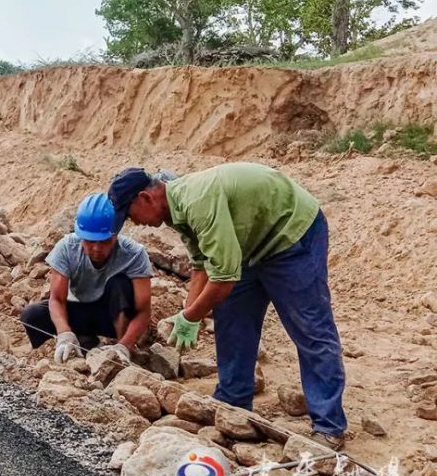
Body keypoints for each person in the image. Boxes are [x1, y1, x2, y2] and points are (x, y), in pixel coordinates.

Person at [108, 163, 347, 449]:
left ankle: (328, 425)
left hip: (291, 235)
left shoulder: (197, 201)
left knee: (310, 327)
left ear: (145, 198)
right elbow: (201, 266)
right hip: (247, 244)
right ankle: (233, 403)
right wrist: (188, 310)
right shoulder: (174, 210)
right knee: (233, 321)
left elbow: (223, 279)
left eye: (131, 215)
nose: (136, 223)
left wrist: (191, 315)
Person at [20, 193, 153, 364]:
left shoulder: (134, 254)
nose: (96, 248)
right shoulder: (67, 247)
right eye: (90, 241)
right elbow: (57, 299)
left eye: (104, 241)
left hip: (113, 317)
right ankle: (76, 344)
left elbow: (143, 311)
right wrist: (64, 333)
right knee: (32, 315)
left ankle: (123, 351)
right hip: (79, 310)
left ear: (116, 234)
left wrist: (124, 346)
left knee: (119, 284)